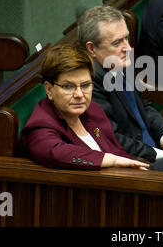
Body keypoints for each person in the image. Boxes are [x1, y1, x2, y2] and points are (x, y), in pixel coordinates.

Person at [78, 5, 163, 174]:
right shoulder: (87, 82)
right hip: (131, 166)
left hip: (152, 153)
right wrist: (159, 154)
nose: (127, 47)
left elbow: (144, 107)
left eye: (127, 38)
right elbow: (111, 137)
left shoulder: (121, 63)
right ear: (91, 49)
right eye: (117, 42)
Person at [21, 44, 150, 171]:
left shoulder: (93, 110)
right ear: (49, 89)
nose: (79, 94)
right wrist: (113, 160)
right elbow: (56, 152)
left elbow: (115, 148)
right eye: (68, 87)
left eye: (85, 85)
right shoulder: (41, 125)